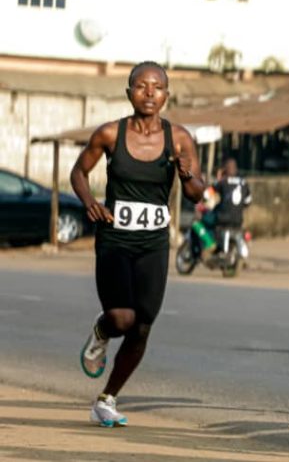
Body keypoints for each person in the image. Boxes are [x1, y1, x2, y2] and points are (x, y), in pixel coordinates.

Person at [71, 61, 204, 427]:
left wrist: (186, 172)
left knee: (143, 324)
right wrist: (90, 203)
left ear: (166, 94)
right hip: (114, 238)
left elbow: (196, 193)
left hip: (153, 243)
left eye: (157, 86)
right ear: (128, 92)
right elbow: (78, 172)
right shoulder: (110, 134)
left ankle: (107, 398)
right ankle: (102, 330)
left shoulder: (178, 138)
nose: (149, 93)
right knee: (121, 317)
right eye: (141, 86)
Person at [211, 157, 253, 259]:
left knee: (211, 223)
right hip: (238, 220)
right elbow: (248, 201)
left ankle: (216, 249)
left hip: (223, 218)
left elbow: (208, 193)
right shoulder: (243, 182)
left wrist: (218, 177)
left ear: (225, 169)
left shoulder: (223, 181)